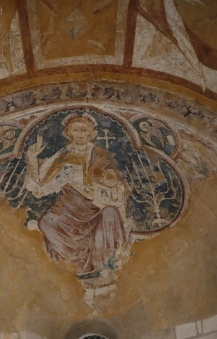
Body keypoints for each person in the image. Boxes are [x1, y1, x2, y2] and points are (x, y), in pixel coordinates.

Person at [25, 113, 135, 276]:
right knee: (46, 223)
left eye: (84, 130)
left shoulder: (100, 153)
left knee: (110, 213)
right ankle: (77, 263)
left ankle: (101, 264)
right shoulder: (62, 155)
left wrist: (103, 184)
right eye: (76, 130)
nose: (80, 134)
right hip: (67, 209)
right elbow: (40, 187)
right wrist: (33, 159)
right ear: (68, 133)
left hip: (95, 208)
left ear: (91, 133)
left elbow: (117, 185)